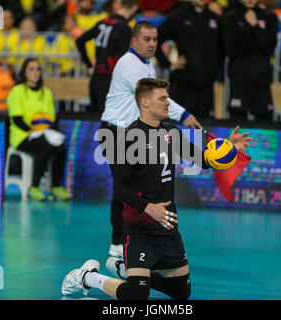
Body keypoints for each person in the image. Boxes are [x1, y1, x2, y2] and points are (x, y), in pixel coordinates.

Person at [61, 78, 252, 300]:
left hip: (168, 227)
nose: (168, 103)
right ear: (145, 102)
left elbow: (204, 160)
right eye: (162, 98)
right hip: (140, 229)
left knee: (182, 293)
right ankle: (88, 277)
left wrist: (229, 148)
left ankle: (127, 271)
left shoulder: (172, 133)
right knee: (136, 298)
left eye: (167, 98)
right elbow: (120, 189)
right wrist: (148, 207)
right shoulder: (127, 139)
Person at [99, 21, 202, 259]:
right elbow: (155, 98)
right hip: (116, 133)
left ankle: (136, 241)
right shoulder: (128, 64)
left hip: (134, 133)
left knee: (138, 187)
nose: (153, 44)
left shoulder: (148, 64)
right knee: (124, 187)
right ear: (133, 41)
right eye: (147, 39)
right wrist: (184, 115)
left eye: (155, 39)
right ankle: (118, 244)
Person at [6, 58, 71, 201]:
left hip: (43, 133)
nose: (35, 72)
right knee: (45, 146)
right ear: (24, 72)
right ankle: (34, 188)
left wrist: (44, 130)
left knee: (60, 146)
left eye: (38, 69)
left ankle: (55, 187)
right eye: (31, 69)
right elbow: (17, 120)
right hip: (22, 135)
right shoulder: (17, 91)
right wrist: (32, 131)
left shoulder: (46, 92)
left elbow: (50, 118)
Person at [155, 0, 225, 119]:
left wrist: (216, 70)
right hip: (184, 84)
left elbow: (222, 48)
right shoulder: (178, 17)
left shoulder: (215, 19)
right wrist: (169, 64)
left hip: (207, 87)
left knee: (203, 129)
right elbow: (156, 40)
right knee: (181, 129)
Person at [76, 0, 139, 113]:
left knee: (96, 122)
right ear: (134, 8)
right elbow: (122, 60)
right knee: (111, 125)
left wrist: (89, 65)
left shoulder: (102, 22)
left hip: (95, 80)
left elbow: (80, 41)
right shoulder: (124, 28)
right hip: (111, 82)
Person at [223, 0, 278, 122]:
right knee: (237, 124)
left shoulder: (269, 16)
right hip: (239, 80)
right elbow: (230, 50)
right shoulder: (231, 17)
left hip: (262, 81)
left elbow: (269, 47)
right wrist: (255, 42)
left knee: (266, 126)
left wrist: (255, 26)